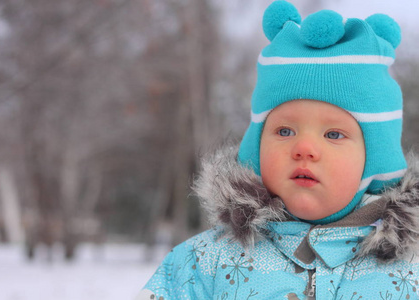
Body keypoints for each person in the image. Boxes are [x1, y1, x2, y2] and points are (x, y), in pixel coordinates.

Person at [136, 1, 419, 299]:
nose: (304, 148)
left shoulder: (409, 273)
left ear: (376, 160)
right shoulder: (203, 265)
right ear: (256, 149)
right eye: (285, 131)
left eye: (333, 134)